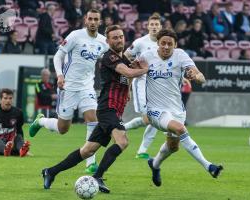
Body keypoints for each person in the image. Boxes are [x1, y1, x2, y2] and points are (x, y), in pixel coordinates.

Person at [41, 25, 148, 193]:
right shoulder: (109, 57)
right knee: (122, 141)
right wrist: (145, 69)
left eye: (121, 36)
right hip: (108, 109)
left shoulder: (125, 60)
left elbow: (127, 76)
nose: (119, 39)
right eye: (115, 37)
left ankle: (50, 171)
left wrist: (128, 89)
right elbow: (127, 72)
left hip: (114, 110)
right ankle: (97, 177)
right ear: (108, 41)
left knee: (87, 150)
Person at [137, 29, 223, 186]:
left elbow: (200, 76)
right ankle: (209, 166)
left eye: (170, 44)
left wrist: (196, 77)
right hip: (155, 110)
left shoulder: (180, 55)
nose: (166, 46)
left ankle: (154, 165)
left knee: (173, 147)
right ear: (158, 43)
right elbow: (133, 71)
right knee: (181, 129)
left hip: (176, 109)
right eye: (163, 43)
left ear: (175, 45)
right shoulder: (147, 56)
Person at [29, 9, 109, 175]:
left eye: (96, 19)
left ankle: (90, 163)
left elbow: (113, 56)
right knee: (63, 128)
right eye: (90, 18)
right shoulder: (75, 36)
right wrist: (59, 75)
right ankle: (41, 121)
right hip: (68, 86)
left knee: (93, 119)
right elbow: (57, 57)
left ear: (99, 22)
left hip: (87, 87)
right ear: (86, 20)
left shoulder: (103, 41)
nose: (93, 21)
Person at [123, 13, 162, 159]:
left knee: (156, 118)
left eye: (156, 25)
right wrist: (130, 75)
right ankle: (122, 128)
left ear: (160, 27)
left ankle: (142, 151)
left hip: (158, 85)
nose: (154, 27)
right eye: (152, 25)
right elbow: (126, 56)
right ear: (148, 26)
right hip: (142, 83)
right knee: (148, 119)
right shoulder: (140, 42)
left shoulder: (163, 43)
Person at [0, 89, 30, 157]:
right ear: (0, 100)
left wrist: (21, 142)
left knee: (18, 137)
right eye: (5, 98)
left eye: (10, 98)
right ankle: (7, 150)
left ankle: (22, 150)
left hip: (10, 142)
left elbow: (19, 130)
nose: (8, 100)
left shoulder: (18, 113)